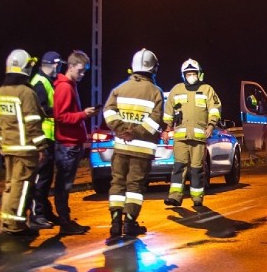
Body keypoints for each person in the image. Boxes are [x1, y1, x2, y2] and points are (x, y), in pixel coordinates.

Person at [103, 48, 164, 239]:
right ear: (153, 69)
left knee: (117, 184)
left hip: (121, 147)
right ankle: (129, 222)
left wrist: (121, 129)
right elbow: (155, 122)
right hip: (142, 150)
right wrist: (135, 132)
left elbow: (108, 112)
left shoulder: (119, 89)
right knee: (135, 187)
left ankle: (115, 223)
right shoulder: (155, 92)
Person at [0, 49, 48, 234]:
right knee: (22, 187)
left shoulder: (1, 92)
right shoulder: (26, 93)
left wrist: (1, 145)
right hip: (26, 150)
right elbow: (33, 123)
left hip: (8, 148)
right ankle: (16, 224)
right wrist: (41, 147)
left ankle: (7, 221)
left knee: (11, 185)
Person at [163, 58, 221, 208]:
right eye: (188, 73)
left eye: (193, 73)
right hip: (181, 138)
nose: (191, 75)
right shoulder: (176, 90)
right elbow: (169, 111)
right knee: (178, 167)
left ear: (199, 74)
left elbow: (214, 109)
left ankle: (197, 197)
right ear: (183, 75)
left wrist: (211, 126)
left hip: (199, 138)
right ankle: (175, 197)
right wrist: (167, 129)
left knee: (197, 169)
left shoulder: (207, 89)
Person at [52, 50, 98, 235]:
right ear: (70, 66)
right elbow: (60, 116)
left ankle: (66, 220)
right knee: (64, 185)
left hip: (71, 144)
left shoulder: (69, 85)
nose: (82, 75)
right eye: (80, 70)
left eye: (84, 71)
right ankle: (65, 222)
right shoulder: (64, 87)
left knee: (65, 185)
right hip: (67, 145)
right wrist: (83, 115)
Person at [28, 50, 65, 229]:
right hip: (42, 137)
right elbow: (40, 110)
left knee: (46, 177)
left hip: (48, 137)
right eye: (59, 65)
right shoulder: (40, 83)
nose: (59, 68)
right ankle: (37, 214)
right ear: (53, 64)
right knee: (41, 178)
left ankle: (45, 211)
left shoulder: (46, 81)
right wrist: (59, 113)